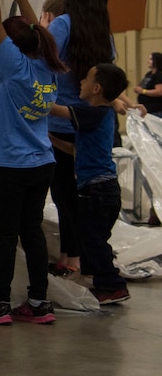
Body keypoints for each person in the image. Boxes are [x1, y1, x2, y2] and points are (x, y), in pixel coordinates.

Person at [0, 0, 65, 326]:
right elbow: (37, 31)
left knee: (6, 235)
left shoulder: (15, 68)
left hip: (11, 166)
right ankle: (39, 302)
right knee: (32, 232)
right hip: (42, 164)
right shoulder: (48, 65)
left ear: (13, 46)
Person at [51, 63, 143, 305]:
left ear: (97, 88)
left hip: (98, 191)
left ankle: (113, 286)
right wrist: (49, 139)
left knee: (94, 240)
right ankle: (99, 282)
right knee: (90, 238)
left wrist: (30, 96)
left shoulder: (91, 112)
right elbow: (74, 149)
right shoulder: (100, 115)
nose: (80, 81)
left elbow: (54, 110)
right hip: (101, 191)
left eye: (86, 78)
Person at [46, 0, 114, 278]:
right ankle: (78, 257)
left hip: (59, 119)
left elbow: (42, 59)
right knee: (82, 197)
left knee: (63, 196)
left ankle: (70, 258)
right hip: (91, 122)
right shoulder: (105, 33)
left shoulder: (62, 25)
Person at [133, 53, 162, 117]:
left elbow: (159, 91)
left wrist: (143, 91)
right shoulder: (149, 74)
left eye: (151, 59)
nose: (148, 61)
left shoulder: (159, 75)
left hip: (156, 110)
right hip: (146, 109)